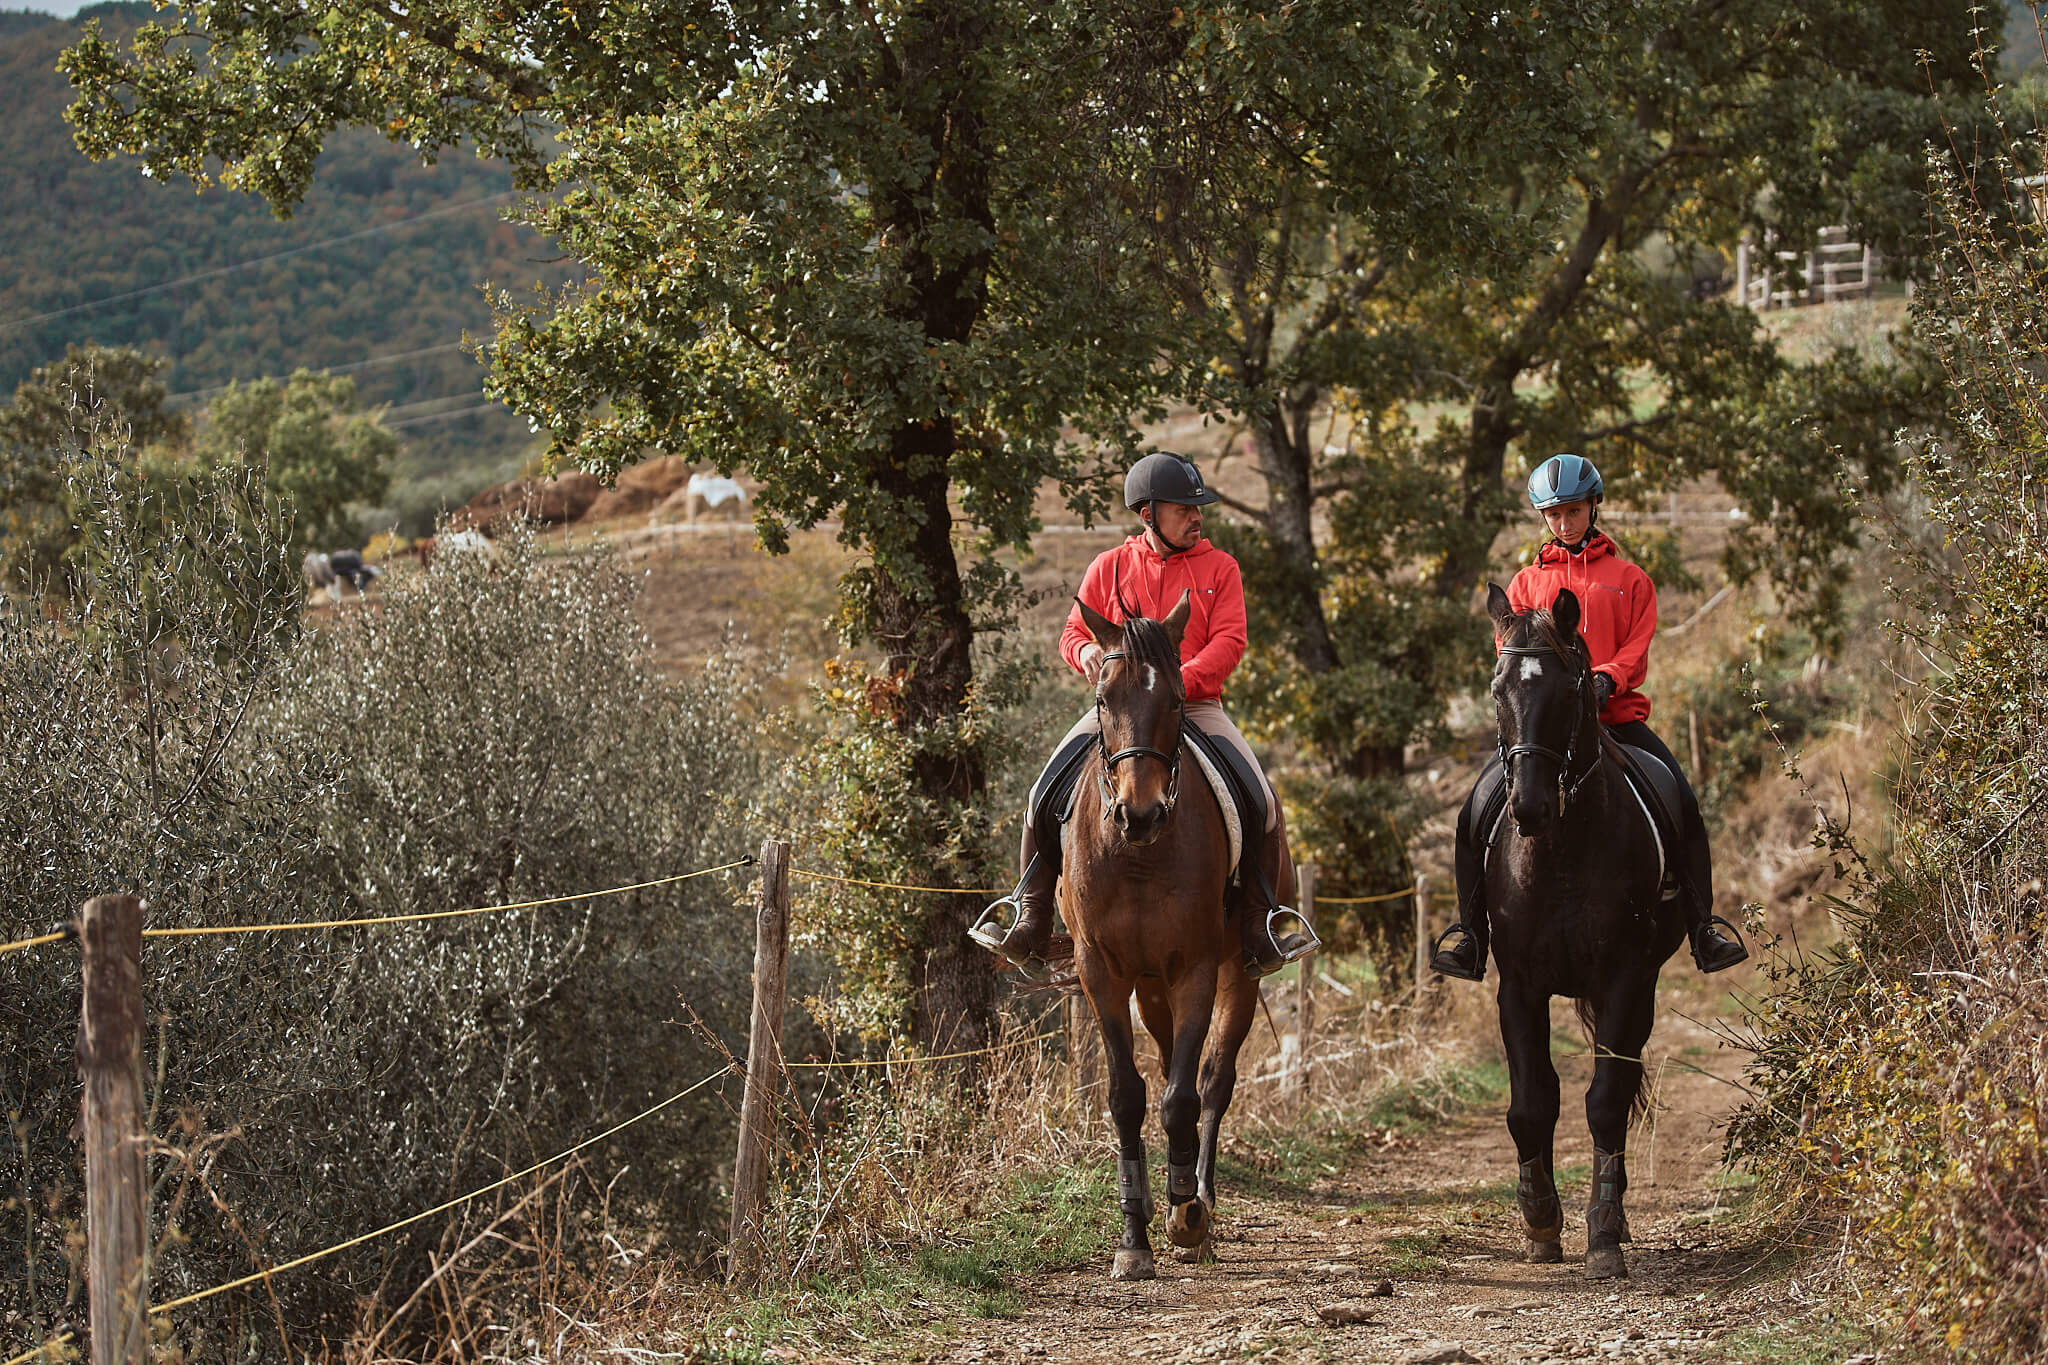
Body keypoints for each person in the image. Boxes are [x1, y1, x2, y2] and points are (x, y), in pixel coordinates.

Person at [970, 451, 1319, 978]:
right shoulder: (1109, 567)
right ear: (1148, 513)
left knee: (1261, 800)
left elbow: (1230, 640)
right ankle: (1030, 914)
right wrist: (1085, 654)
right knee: (1042, 791)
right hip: (1122, 713)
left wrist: (1177, 684)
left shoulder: (1220, 568)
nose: (1196, 516)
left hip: (1196, 703)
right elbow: (1073, 632)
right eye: (1184, 508)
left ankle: (1261, 921)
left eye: (1198, 507)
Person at [1430, 453, 1748, 981]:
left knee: (1684, 803)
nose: (1563, 522)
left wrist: (1607, 678)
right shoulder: (1525, 584)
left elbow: (1638, 647)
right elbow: (1509, 655)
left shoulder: (1630, 579)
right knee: (1472, 813)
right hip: (1541, 730)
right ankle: (1470, 935)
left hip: (1615, 718)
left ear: (1593, 506)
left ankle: (1702, 927)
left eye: (1572, 510)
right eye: (1552, 514)